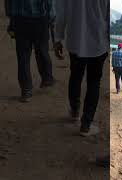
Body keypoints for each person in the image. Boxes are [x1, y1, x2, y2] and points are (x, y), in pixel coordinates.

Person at [54, 0, 108, 137]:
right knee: (94, 82)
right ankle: (86, 125)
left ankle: (75, 111)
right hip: (98, 41)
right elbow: (108, 15)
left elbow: (61, 12)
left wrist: (58, 37)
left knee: (76, 75)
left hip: (75, 40)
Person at [4, 0, 56, 102]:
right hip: (40, 18)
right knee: (42, 50)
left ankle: (26, 89)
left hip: (20, 20)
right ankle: (47, 78)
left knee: (23, 56)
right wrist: (51, 17)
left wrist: (10, 16)